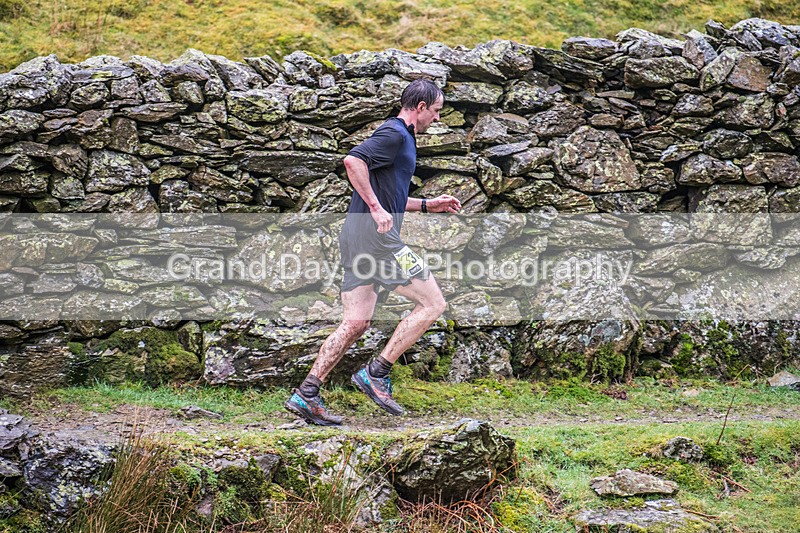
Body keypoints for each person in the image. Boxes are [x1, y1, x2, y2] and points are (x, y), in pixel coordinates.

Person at [284, 78, 462, 426]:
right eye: (436, 111)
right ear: (421, 107)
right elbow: (353, 161)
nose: (438, 118)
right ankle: (377, 372)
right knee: (433, 304)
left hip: (358, 238)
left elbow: (389, 195)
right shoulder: (395, 134)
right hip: (380, 241)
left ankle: (306, 393)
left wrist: (428, 205)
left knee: (356, 323)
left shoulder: (402, 137)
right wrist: (377, 210)